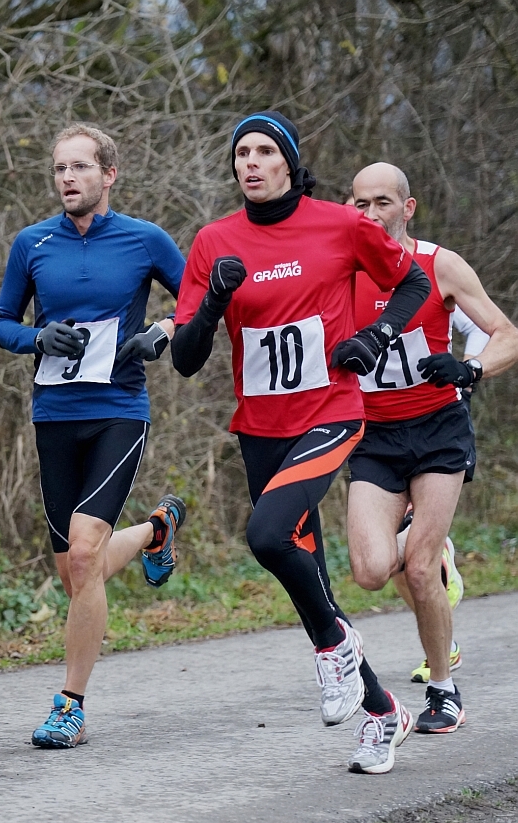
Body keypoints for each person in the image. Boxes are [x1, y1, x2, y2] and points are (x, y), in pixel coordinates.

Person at [171, 111, 432, 774]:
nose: (250, 163)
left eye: (264, 151)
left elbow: (414, 283)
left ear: (288, 160)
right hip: (260, 428)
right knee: (306, 574)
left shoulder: (341, 224)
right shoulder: (213, 243)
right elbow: (185, 357)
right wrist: (211, 303)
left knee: (265, 536)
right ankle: (382, 712)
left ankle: (332, 650)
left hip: (331, 413)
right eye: (241, 154)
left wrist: (376, 337)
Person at [0, 124, 187, 749]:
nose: (67, 178)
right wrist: (35, 338)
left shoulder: (144, 239)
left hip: (118, 410)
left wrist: (160, 332)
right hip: (53, 414)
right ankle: (157, 530)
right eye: (58, 169)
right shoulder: (32, 243)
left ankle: (69, 706)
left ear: (109, 174)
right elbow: (1, 324)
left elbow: (198, 306)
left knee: (83, 555)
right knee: (76, 573)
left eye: (79, 167)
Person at [346, 162, 518, 732]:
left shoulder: (438, 263)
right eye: (359, 204)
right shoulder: (342, 271)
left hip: (439, 426)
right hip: (374, 435)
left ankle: (444, 690)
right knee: (371, 571)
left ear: (407, 207)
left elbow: (507, 335)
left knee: (419, 570)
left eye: (382, 203)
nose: (369, 215)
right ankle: (429, 545)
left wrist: (469, 371)